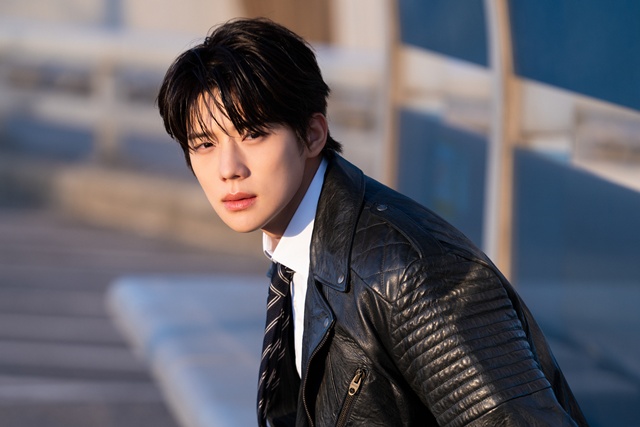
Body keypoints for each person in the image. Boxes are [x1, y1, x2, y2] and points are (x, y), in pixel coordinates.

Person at [157, 17, 588, 427]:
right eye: (204, 144)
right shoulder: (300, 249)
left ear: (312, 135)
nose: (229, 169)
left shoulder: (407, 274)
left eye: (253, 134)